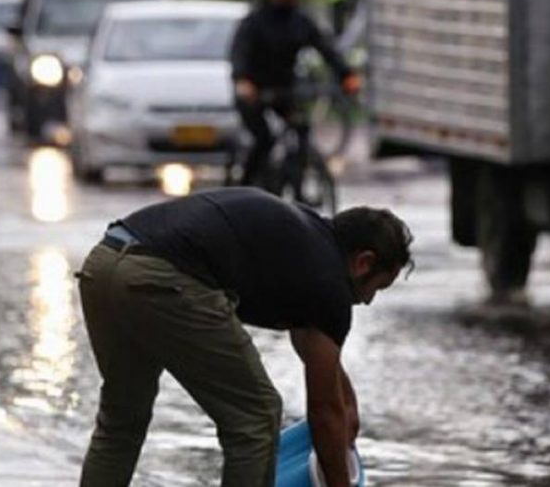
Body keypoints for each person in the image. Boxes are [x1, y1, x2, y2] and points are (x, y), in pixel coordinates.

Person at [77, 187, 414, 487]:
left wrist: (347, 402)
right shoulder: (331, 287)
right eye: (376, 287)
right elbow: (324, 412)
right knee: (256, 417)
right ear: (363, 262)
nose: (368, 300)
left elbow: (312, 346)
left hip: (104, 265)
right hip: (161, 280)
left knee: (122, 419)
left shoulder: (306, 241)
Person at [230, 0, 362, 186]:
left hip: (285, 90)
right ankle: (245, 185)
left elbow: (326, 49)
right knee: (264, 138)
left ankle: (297, 181)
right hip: (255, 92)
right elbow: (239, 54)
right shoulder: (254, 22)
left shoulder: (300, 22)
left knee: (300, 130)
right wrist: (243, 81)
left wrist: (346, 75)